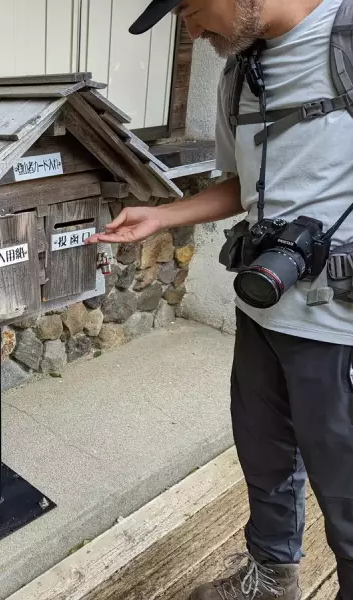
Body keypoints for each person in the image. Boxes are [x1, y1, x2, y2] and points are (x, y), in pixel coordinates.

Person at [88, 0, 353, 598]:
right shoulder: (242, 72)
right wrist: (161, 216)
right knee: (264, 458)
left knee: (348, 493)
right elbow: (240, 185)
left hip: (340, 328)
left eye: (189, 7)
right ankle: (272, 578)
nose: (189, 27)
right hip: (262, 305)